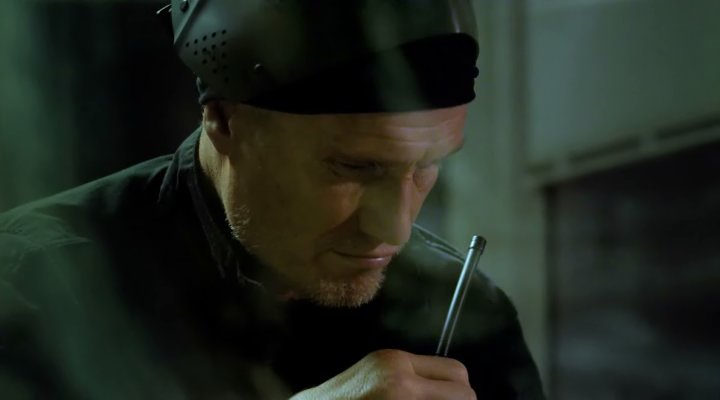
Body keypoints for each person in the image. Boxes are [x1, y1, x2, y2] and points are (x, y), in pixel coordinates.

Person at [0, 0, 545, 398]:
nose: (393, 230)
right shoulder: (34, 283)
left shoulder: (469, 314)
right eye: (354, 168)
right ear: (224, 119)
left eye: (428, 166)